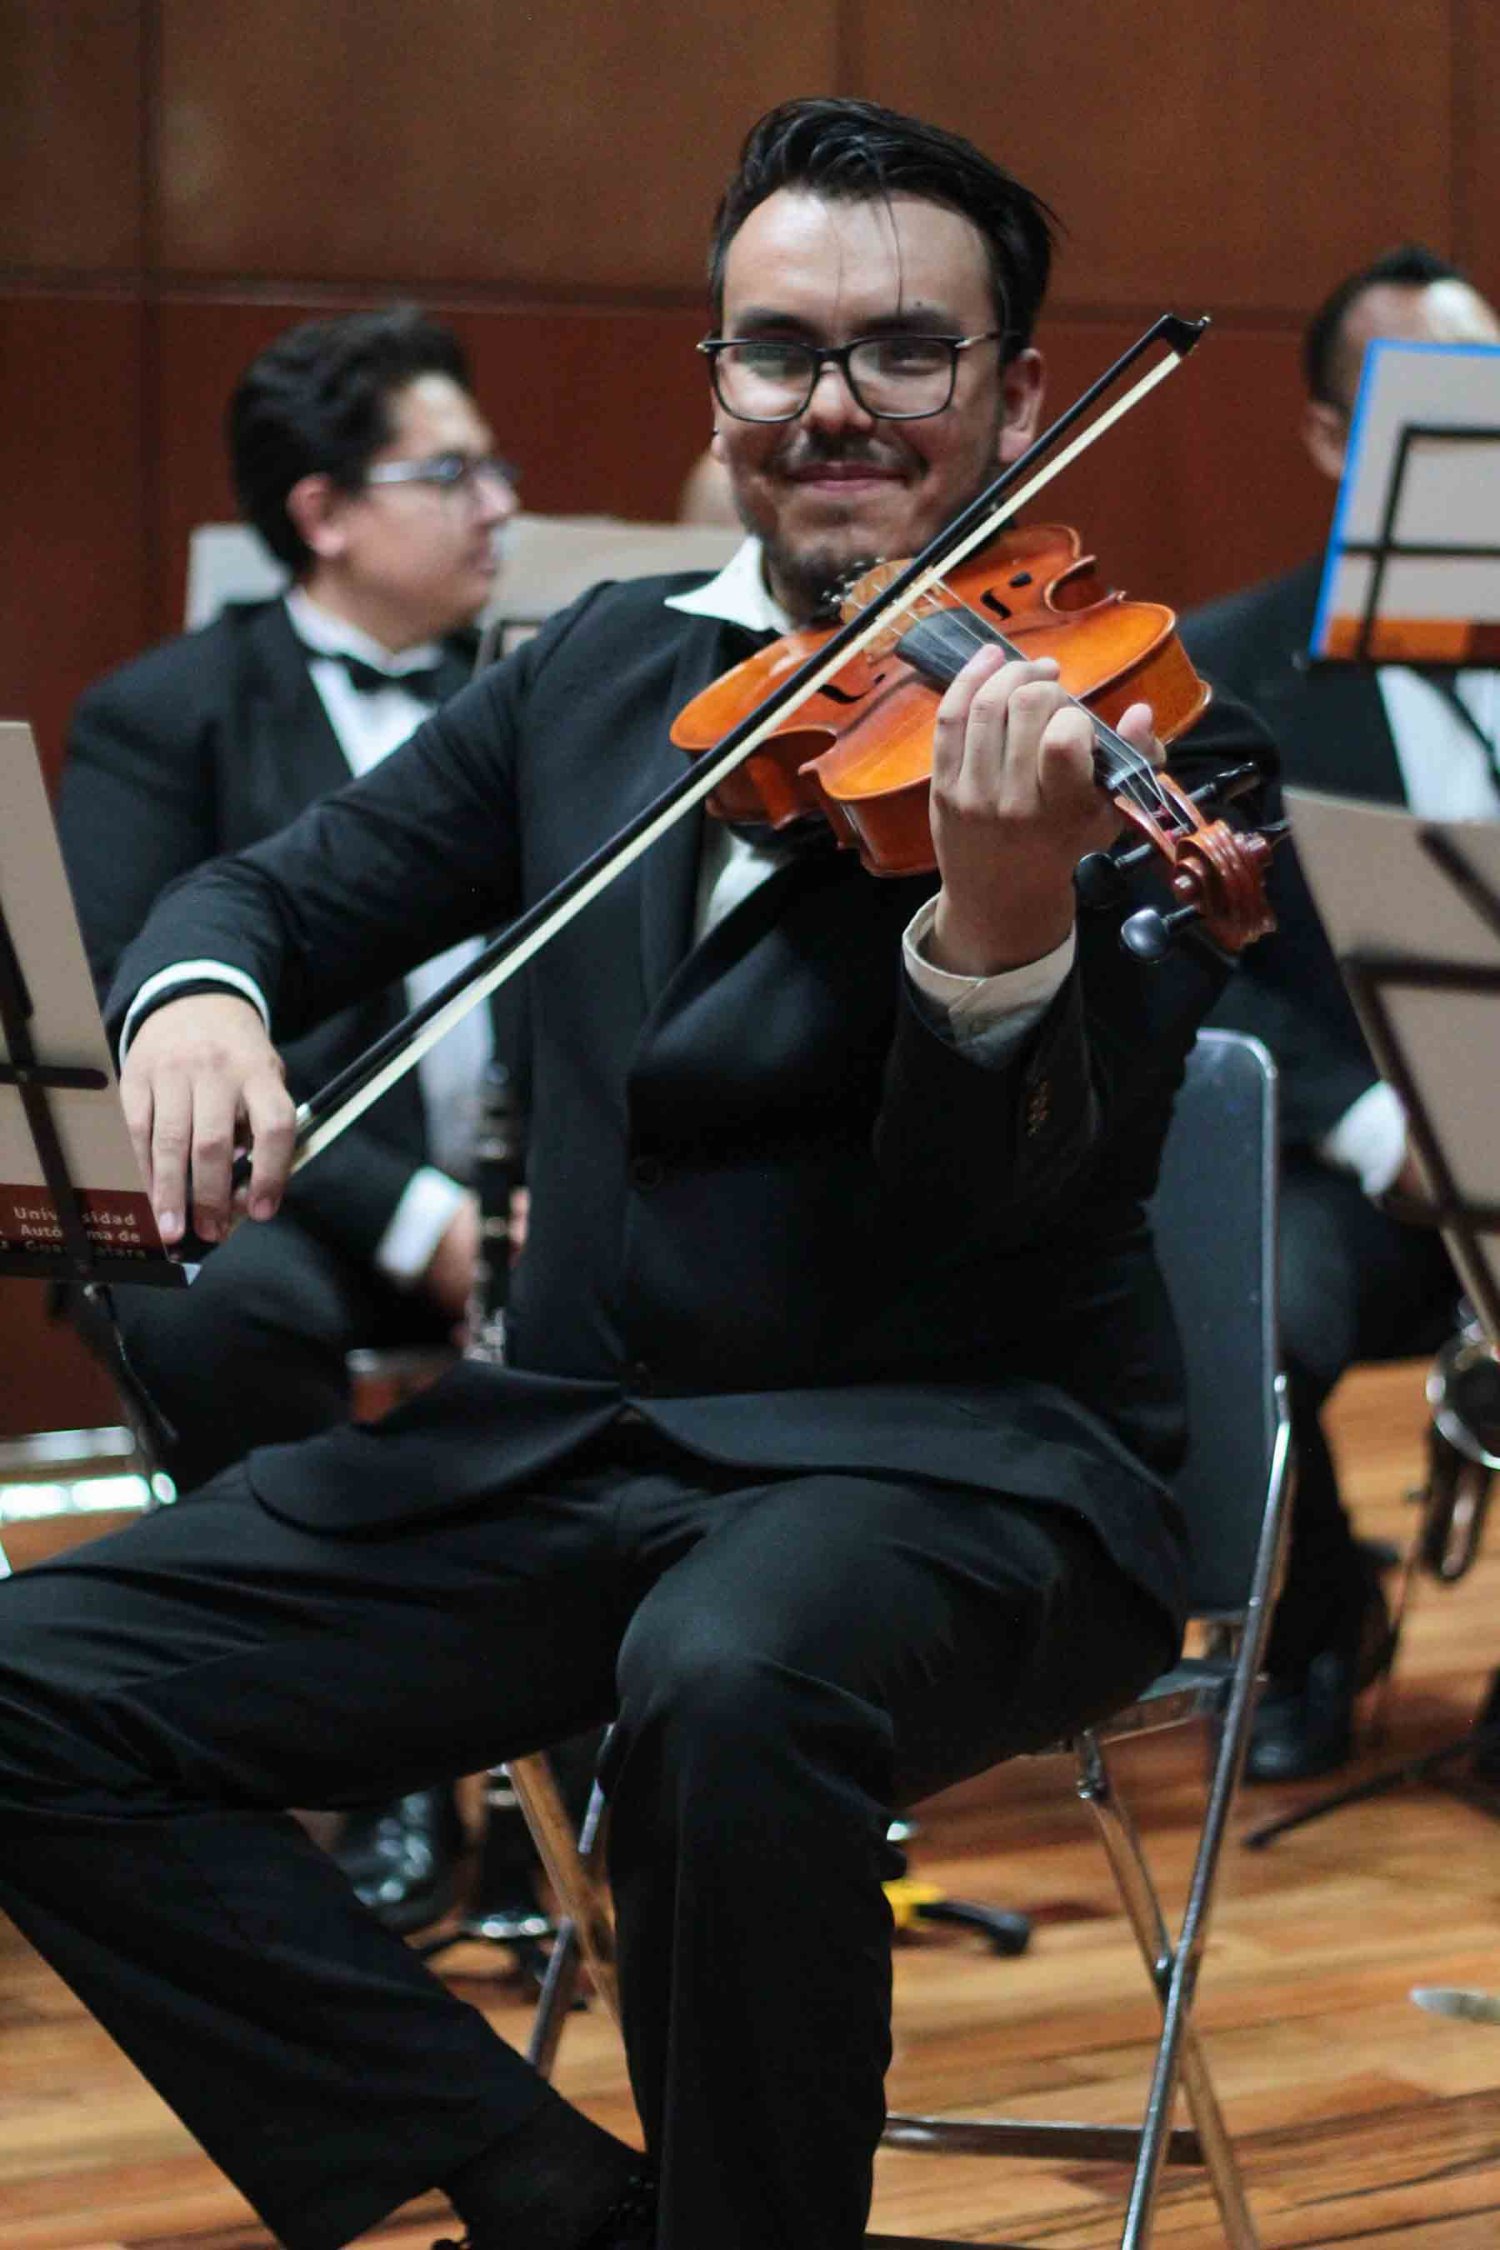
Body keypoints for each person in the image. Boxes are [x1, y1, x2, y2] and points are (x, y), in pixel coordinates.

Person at [0, 98, 1271, 2250]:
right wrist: (196, 1000)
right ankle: (539, 2189)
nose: (833, 406)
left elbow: (1010, 1211)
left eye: (907, 351)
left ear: (1019, 394)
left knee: (729, 1673)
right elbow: (267, 892)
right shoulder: (596, 670)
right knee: (36, 1685)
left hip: (966, 1463)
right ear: (720, 383)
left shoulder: (1147, 747)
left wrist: (997, 933)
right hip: (588, 1441)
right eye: (778, 351)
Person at [55, 305, 520, 1924]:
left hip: (517, 1188)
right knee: (213, 1312)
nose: (500, 504)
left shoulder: (540, 687)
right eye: (450, 473)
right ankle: (383, 1755)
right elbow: (119, 1009)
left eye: (494, 465)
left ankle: (602, 1735)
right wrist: (416, 1217)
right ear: (322, 513)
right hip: (282, 1205)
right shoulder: (167, 711)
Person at [1183, 246, 1500, 1781]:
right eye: (1427, 405)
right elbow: (1194, 954)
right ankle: (1312, 1617)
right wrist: (1379, 1120)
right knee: (1249, 1299)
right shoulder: (1228, 670)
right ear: (1329, 438)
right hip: (1357, 1167)